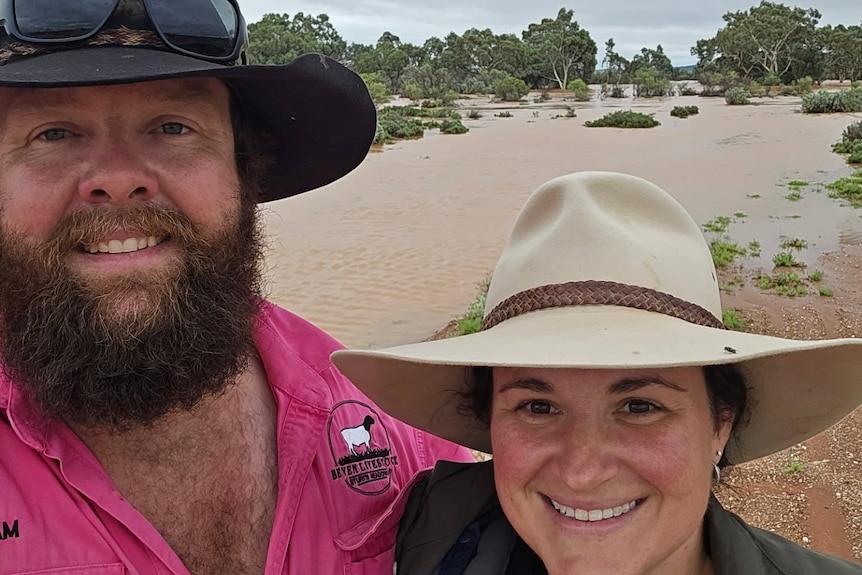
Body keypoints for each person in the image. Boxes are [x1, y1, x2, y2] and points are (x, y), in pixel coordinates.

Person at [0, 1, 471, 573]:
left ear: (244, 169)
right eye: (53, 133)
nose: (118, 179)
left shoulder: (382, 418)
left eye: (173, 127)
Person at [332, 171, 862, 575]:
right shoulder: (431, 532)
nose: (582, 472)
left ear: (720, 425)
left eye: (639, 407)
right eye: (537, 407)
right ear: (489, 419)